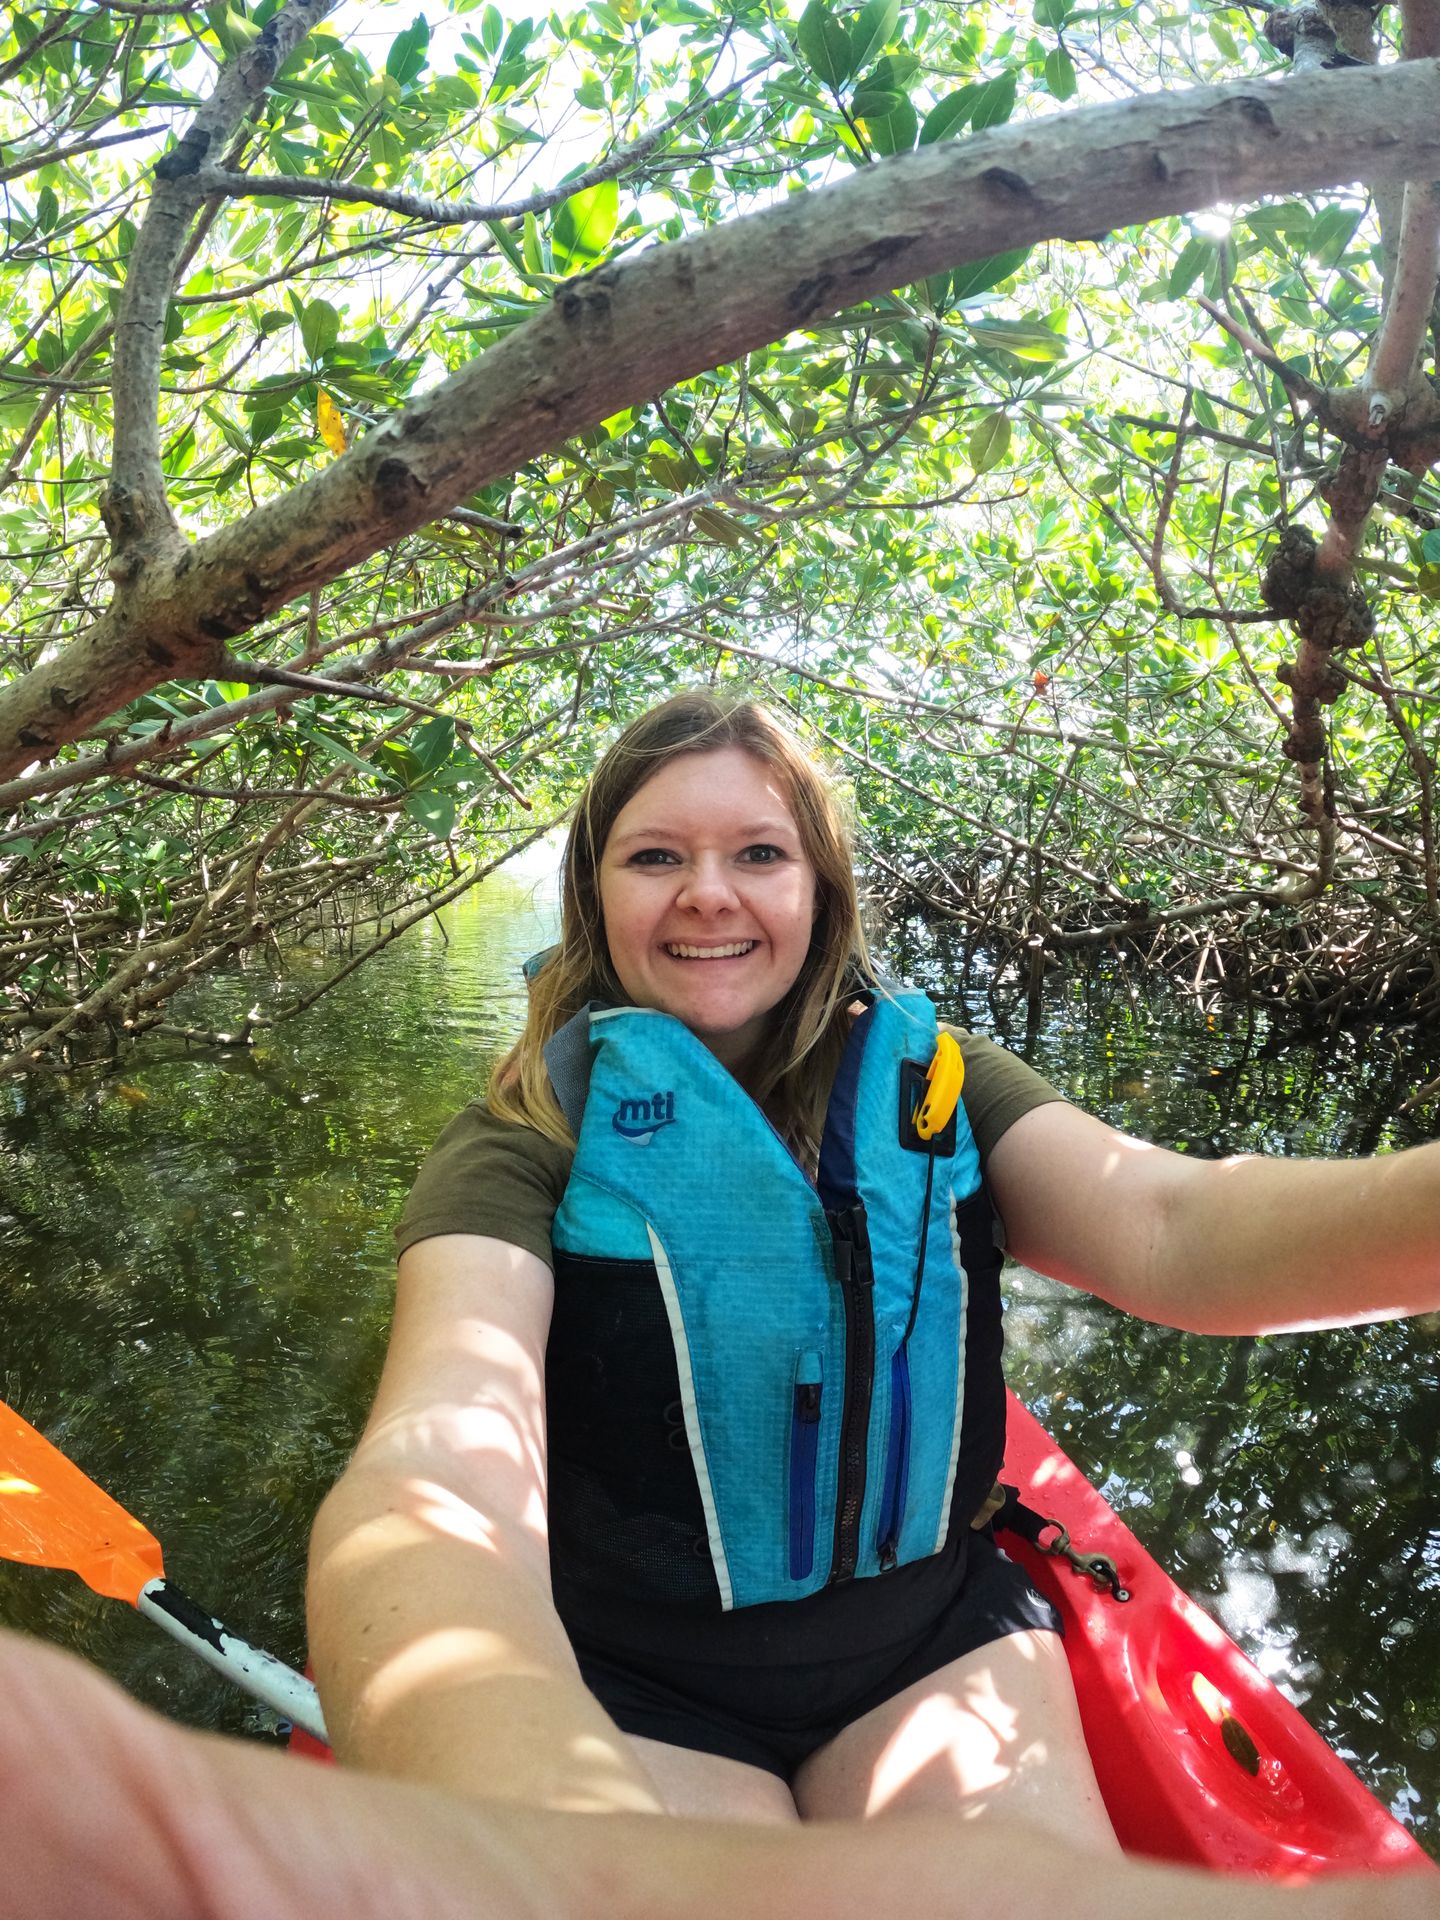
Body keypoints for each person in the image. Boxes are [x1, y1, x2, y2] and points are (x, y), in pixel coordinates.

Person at [303, 690, 1440, 1892]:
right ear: (595, 895)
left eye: (758, 854)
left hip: (930, 1642)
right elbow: (437, 1463)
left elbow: (1174, 1228)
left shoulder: (940, 1085)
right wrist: (536, 1812)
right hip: (635, 1678)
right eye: (655, 857)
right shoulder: (524, 1139)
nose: (708, 892)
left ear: (818, 891)